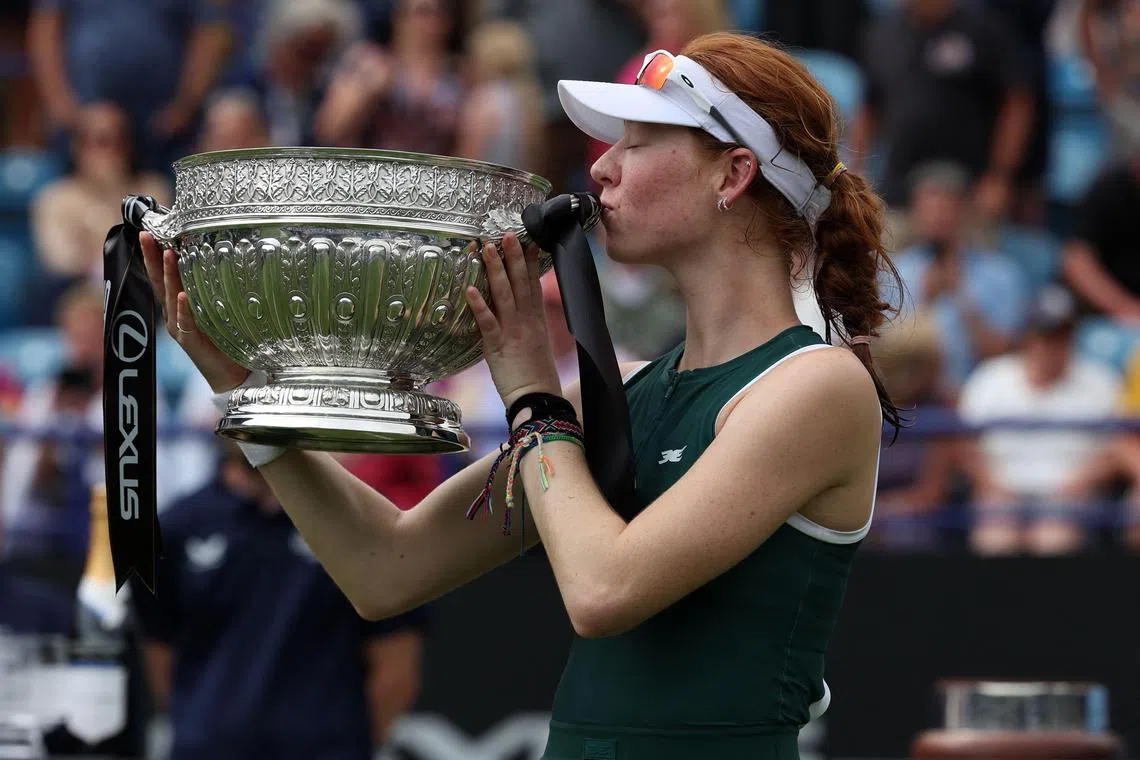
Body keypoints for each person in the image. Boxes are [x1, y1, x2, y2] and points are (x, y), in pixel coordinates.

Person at [141, 32, 896, 759]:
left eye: (637, 143)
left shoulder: (819, 386)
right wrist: (241, 389)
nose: (601, 170)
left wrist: (534, 393)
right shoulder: (628, 389)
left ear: (731, 176)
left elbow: (604, 589)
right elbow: (385, 568)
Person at [132, 443, 428, 760]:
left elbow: (396, 668)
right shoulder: (177, 527)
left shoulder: (360, 523)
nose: (258, 401)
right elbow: (159, 653)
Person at [958, 284, 1123, 555]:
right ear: (1028, 338)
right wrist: (991, 483)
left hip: (1070, 496)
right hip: (1000, 492)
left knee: (1052, 543)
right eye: (1046, 335)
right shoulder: (990, 378)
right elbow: (962, 445)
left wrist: (1078, 486)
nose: (1053, 346)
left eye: (1062, 336)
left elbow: (1116, 450)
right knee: (995, 543)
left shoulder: (1100, 382)